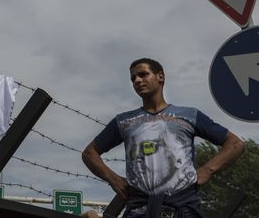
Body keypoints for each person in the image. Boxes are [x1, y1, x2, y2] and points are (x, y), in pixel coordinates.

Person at [82, 58, 244, 218]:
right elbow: (90, 153)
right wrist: (113, 179)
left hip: (183, 206)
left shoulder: (189, 115)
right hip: (140, 208)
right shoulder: (124, 121)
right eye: (133, 78)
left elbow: (235, 144)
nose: (137, 80)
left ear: (160, 77)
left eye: (143, 74)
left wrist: (207, 170)